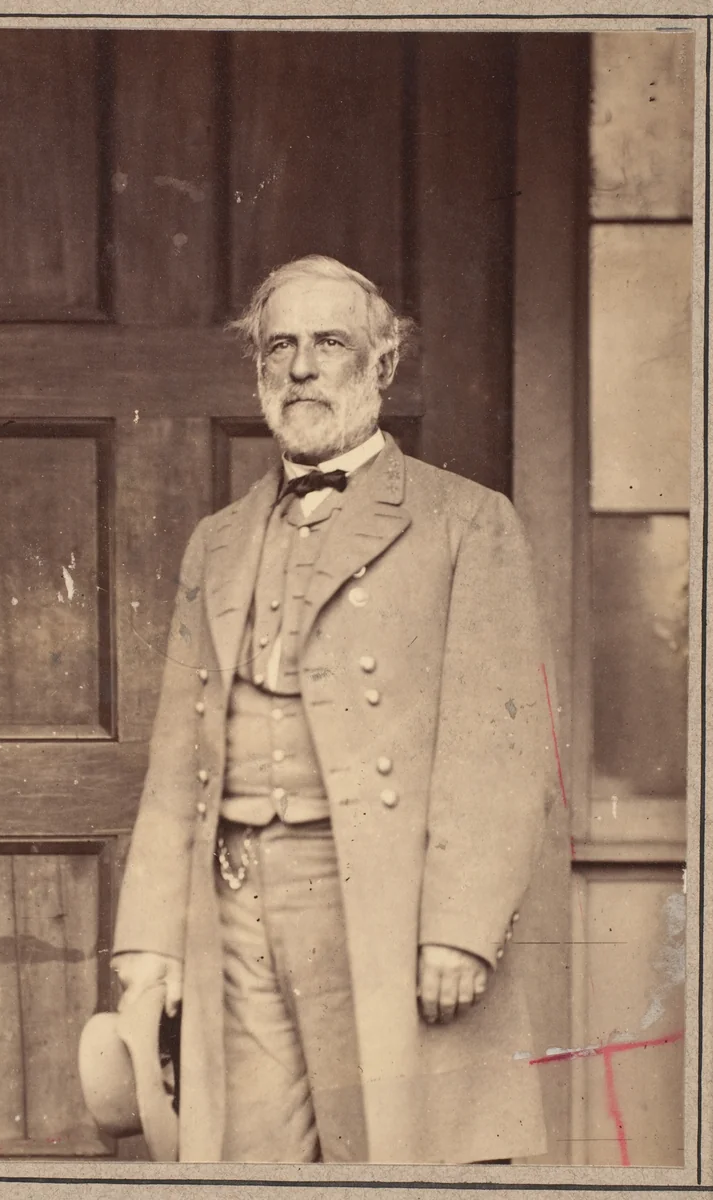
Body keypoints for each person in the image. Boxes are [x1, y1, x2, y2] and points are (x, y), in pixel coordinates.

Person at [111, 254, 558, 1164]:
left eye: (330, 343)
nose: (303, 367)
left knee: (386, 1157)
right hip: (232, 905)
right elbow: (176, 752)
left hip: (377, 902)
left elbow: (499, 749)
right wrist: (150, 941)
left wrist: (461, 929)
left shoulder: (466, 522)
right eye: (281, 346)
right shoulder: (218, 539)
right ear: (259, 370)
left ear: (382, 367)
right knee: (248, 1160)